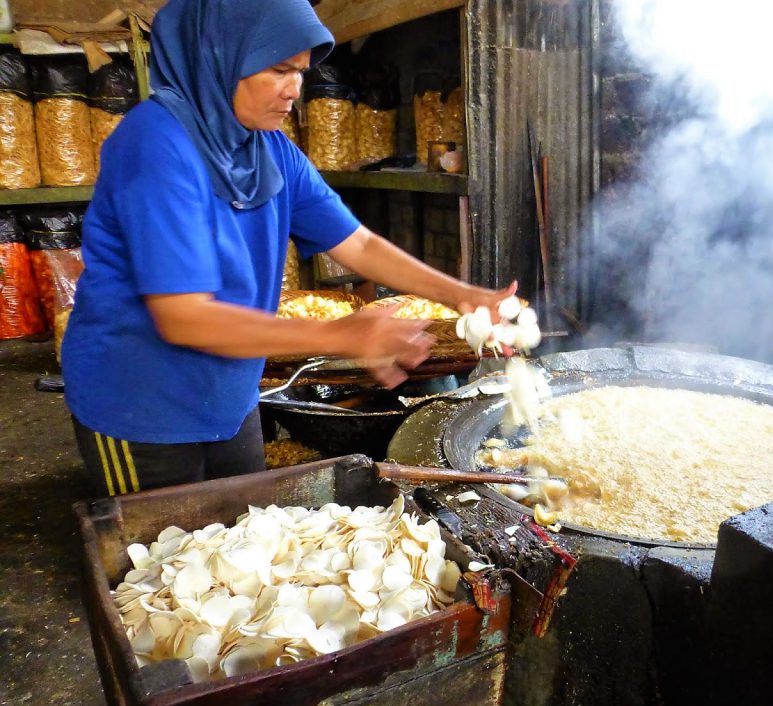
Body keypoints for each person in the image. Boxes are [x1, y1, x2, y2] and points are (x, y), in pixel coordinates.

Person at [61, 0, 515, 497]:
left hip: (229, 395)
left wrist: (462, 295)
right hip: (142, 404)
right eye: (280, 69)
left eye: (300, 72)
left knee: (247, 541)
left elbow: (358, 244)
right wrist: (341, 335)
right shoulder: (155, 145)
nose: (295, 89)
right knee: (158, 559)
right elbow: (183, 317)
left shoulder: (270, 151)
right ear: (221, 56)